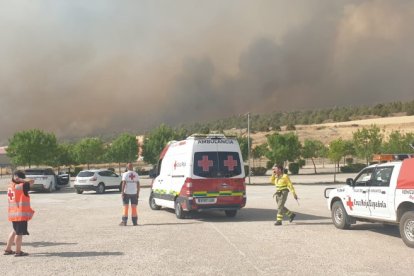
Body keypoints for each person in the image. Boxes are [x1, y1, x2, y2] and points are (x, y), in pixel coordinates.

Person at [4, 170, 35, 256]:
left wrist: (17, 179)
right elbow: (32, 181)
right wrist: (21, 179)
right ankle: (18, 251)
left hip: (13, 214)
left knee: (14, 231)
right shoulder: (22, 186)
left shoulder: (11, 186)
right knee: (19, 233)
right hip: (20, 214)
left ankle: (8, 249)